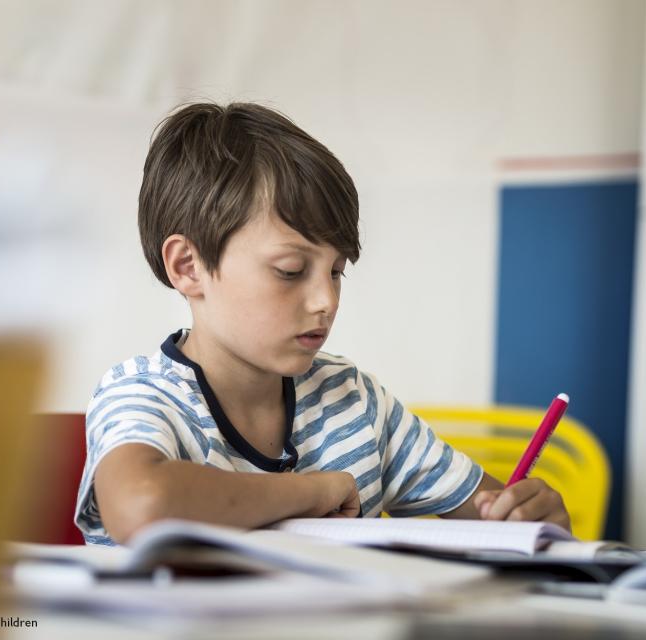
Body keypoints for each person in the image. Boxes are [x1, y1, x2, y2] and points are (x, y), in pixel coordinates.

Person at [75, 102, 569, 545]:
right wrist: (312, 491)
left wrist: (528, 517)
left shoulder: (354, 399)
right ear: (188, 267)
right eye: (290, 271)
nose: (326, 300)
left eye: (336, 272)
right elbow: (142, 506)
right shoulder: (141, 395)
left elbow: (493, 521)